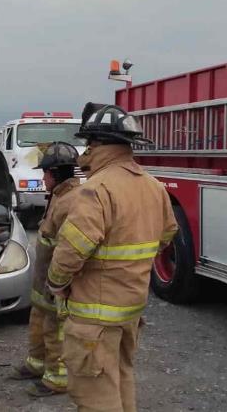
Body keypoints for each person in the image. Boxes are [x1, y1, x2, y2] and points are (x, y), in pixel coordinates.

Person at [47, 104, 178, 412]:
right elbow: (167, 234)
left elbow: (72, 249)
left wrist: (56, 283)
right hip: (129, 311)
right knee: (121, 380)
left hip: (95, 317)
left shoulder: (96, 190)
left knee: (95, 397)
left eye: (88, 144)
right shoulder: (154, 186)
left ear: (96, 144)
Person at [11, 141, 81, 397]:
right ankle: (37, 364)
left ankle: (57, 378)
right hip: (44, 282)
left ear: (52, 174)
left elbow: (70, 248)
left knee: (54, 330)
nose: (42, 177)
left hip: (55, 282)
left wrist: (59, 283)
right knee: (38, 323)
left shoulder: (71, 201)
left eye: (44, 173)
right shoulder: (59, 196)